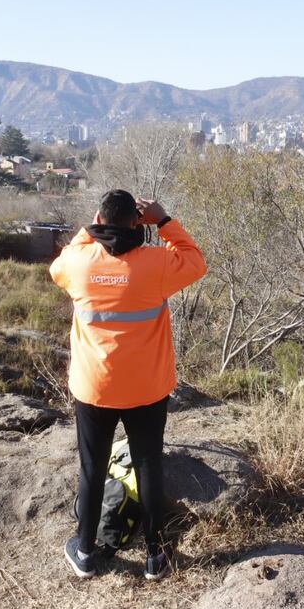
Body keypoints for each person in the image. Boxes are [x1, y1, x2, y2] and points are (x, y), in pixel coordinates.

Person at [49, 189, 207, 581]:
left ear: (100, 221)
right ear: (138, 223)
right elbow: (196, 261)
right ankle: (156, 555)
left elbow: (60, 264)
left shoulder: (79, 262)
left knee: (92, 468)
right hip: (147, 388)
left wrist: (93, 228)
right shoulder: (156, 263)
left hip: (94, 388)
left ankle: (85, 551)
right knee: (149, 466)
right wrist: (164, 220)